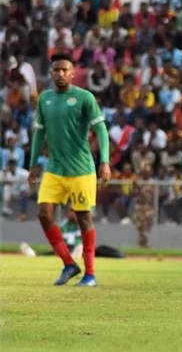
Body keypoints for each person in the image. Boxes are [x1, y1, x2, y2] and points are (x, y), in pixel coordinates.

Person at [28, 53, 111, 287]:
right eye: (56, 70)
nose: (61, 74)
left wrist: (104, 161)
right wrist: (33, 164)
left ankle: (90, 274)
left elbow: (101, 130)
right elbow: (39, 133)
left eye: (65, 70)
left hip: (81, 169)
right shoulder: (44, 99)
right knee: (44, 214)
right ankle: (68, 264)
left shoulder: (84, 97)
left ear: (73, 73)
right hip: (54, 168)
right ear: (51, 73)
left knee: (84, 218)